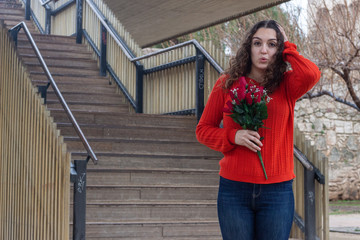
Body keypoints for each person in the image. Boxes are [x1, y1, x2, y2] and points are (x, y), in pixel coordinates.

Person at [195, 20, 321, 240]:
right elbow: (203, 130)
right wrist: (233, 135)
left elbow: (311, 74)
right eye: (257, 43)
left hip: (277, 192)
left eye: (272, 44)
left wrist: (288, 46)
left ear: (278, 50)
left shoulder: (287, 85)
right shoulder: (227, 83)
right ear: (248, 47)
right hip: (234, 190)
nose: (264, 50)